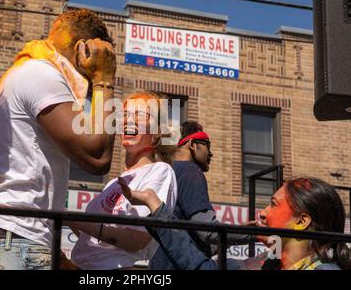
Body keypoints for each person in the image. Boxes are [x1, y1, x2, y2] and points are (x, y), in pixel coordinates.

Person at [0, 8, 117, 270]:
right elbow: (97, 157)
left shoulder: (30, 70)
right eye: (101, 55)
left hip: (15, 238)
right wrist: (104, 80)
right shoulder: (42, 74)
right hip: (18, 239)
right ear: (83, 50)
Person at [120, 177, 351, 270]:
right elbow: (200, 267)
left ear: (301, 221)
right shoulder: (263, 265)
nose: (262, 213)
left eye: (273, 204)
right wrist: (155, 205)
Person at [69, 92, 178, 270]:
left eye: (141, 115)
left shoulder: (160, 171)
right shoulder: (113, 183)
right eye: (125, 115)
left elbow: (137, 240)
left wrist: (71, 220)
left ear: (158, 133)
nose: (128, 120)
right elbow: (92, 236)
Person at [150, 121, 253, 269]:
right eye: (207, 145)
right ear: (192, 145)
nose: (211, 153)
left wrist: (236, 232)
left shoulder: (166, 171)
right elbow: (208, 232)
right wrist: (255, 234)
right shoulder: (189, 170)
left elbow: (196, 239)